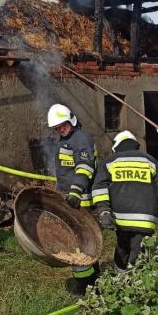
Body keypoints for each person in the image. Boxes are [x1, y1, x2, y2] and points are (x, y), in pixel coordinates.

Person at [91, 130, 158, 272]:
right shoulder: (150, 160)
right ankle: (133, 282)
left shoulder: (110, 162)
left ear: (116, 147)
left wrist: (104, 211)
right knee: (138, 253)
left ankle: (123, 282)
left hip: (121, 220)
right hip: (145, 221)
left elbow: (99, 187)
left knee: (122, 250)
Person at [46, 103, 99, 296]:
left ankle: (84, 285)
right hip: (69, 198)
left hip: (80, 200)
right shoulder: (66, 140)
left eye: (63, 125)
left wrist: (75, 192)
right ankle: (93, 280)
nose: (60, 129)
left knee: (79, 243)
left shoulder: (81, 138)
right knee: (79, 242)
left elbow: (85, 166)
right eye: (57, 127)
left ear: (72, 120)